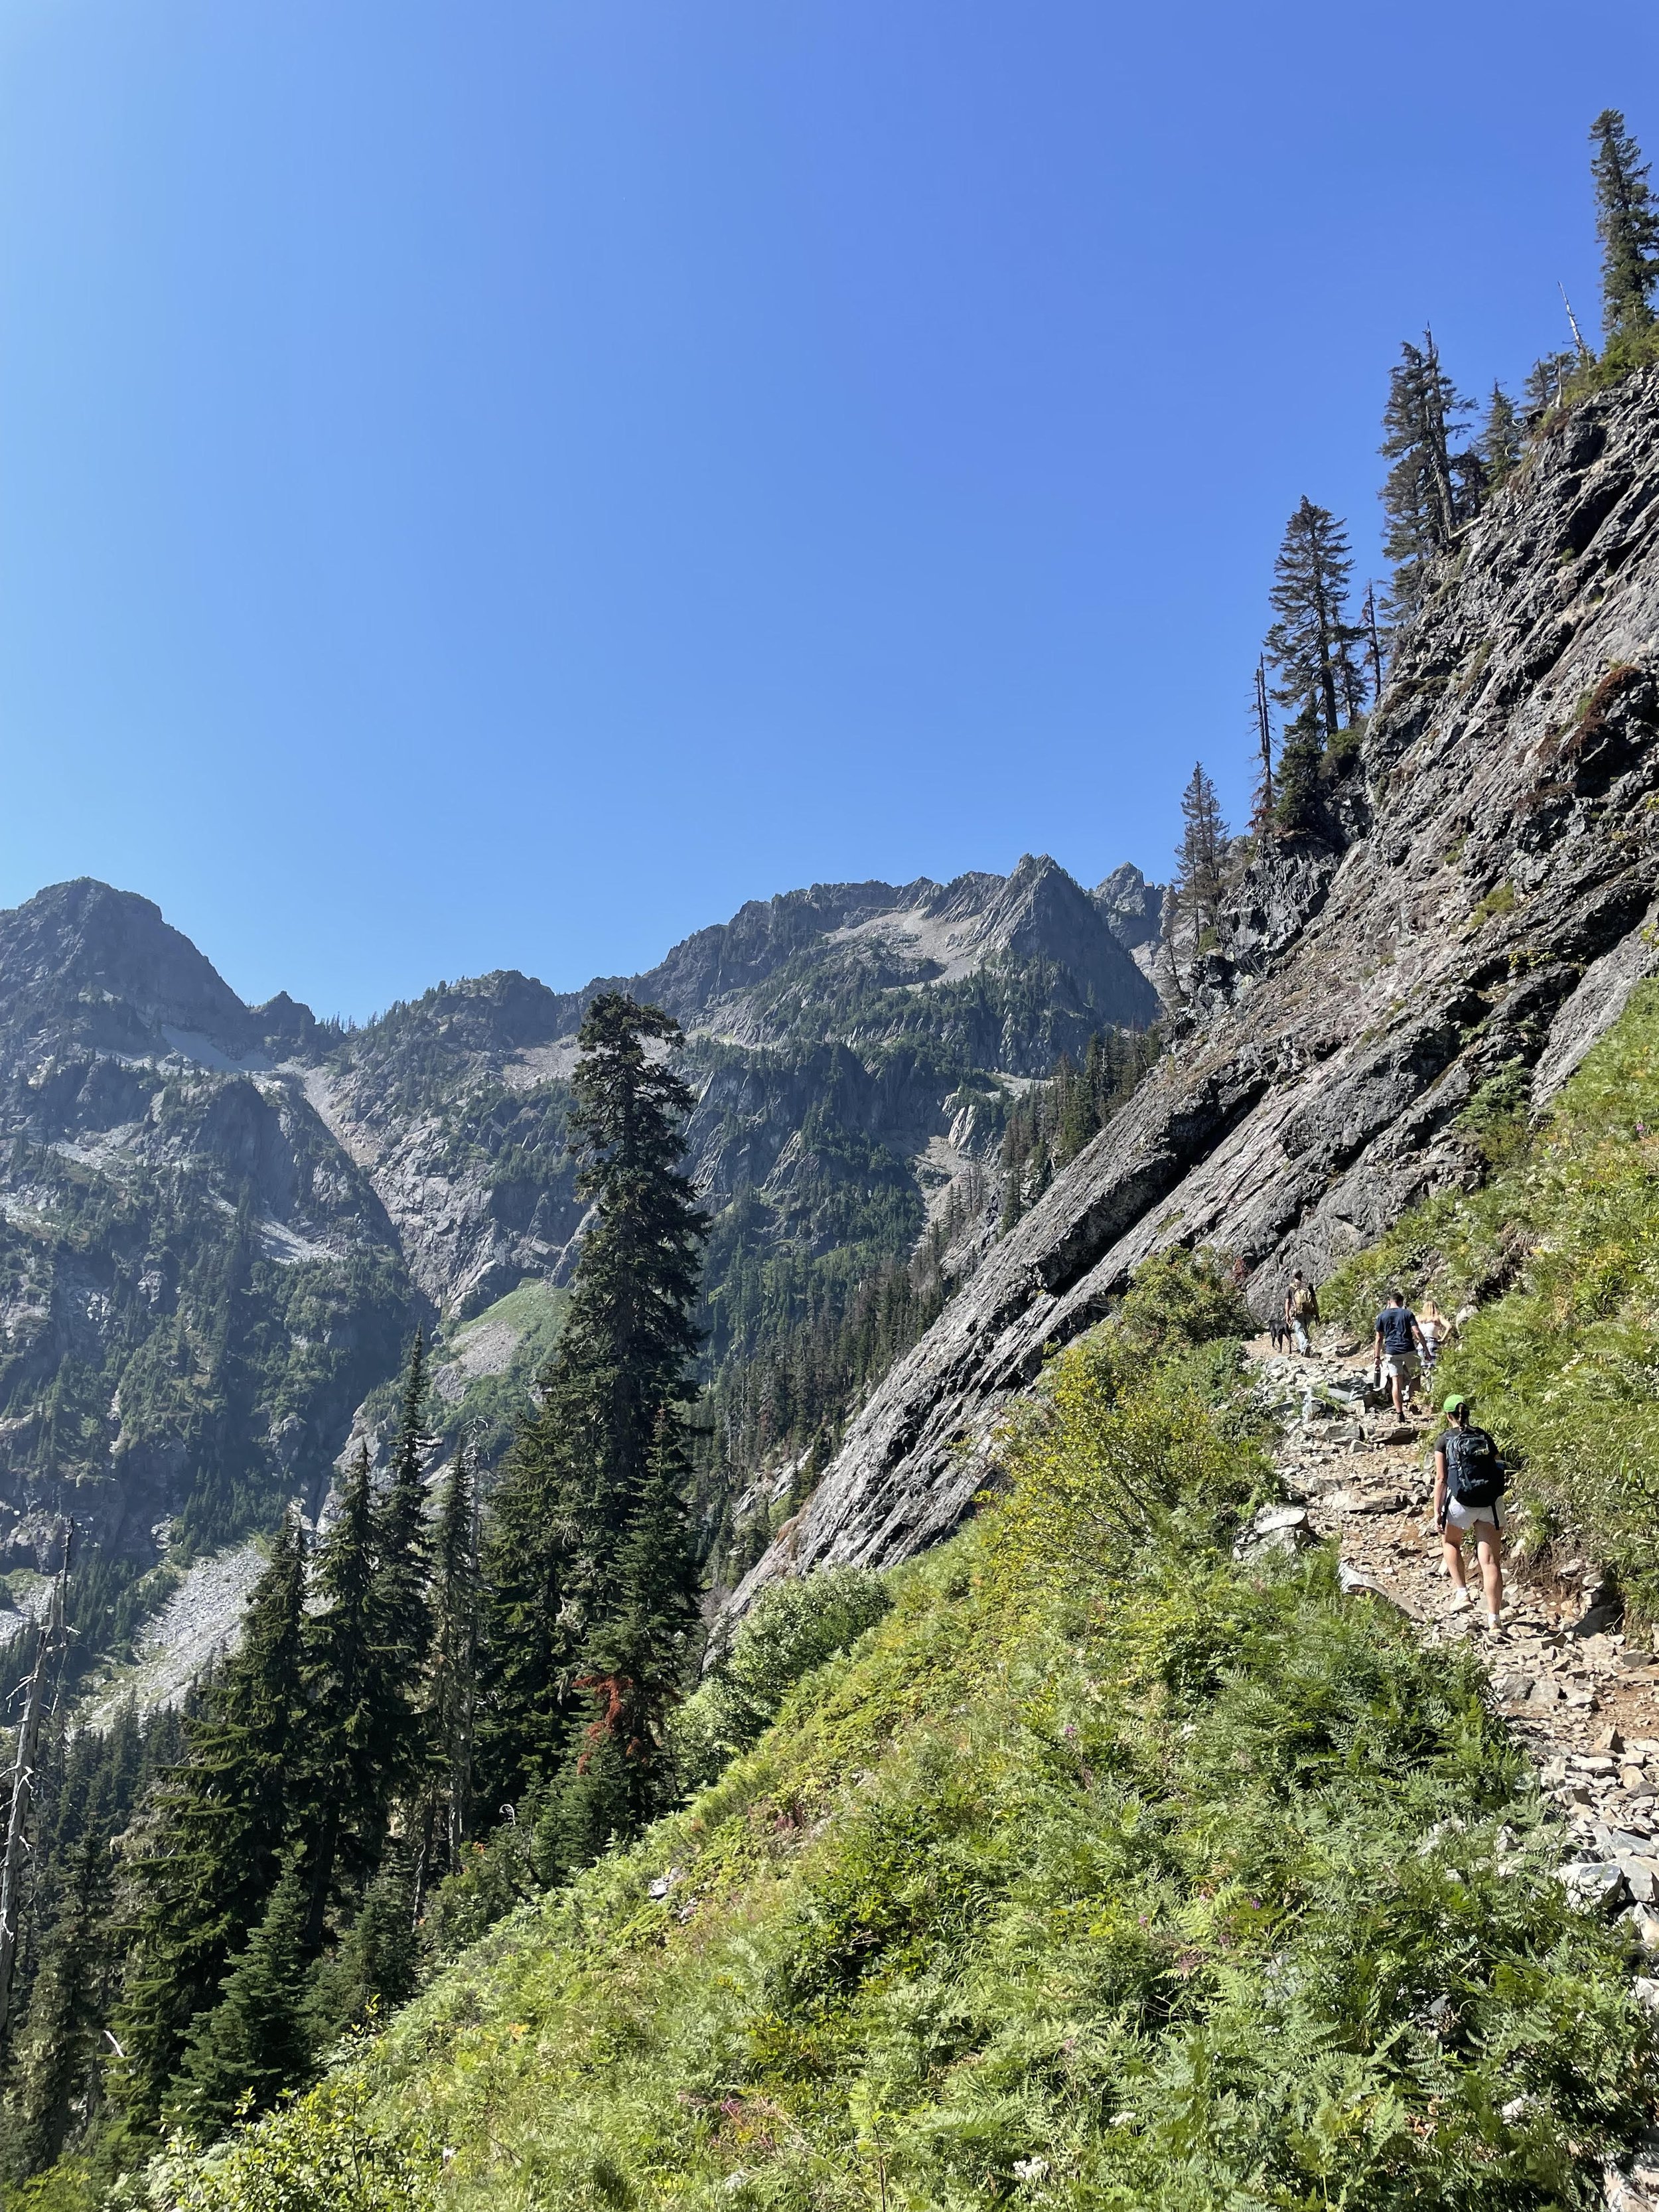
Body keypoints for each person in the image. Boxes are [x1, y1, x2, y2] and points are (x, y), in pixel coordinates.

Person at [1433, 1393, 1507, 1628]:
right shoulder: (1483, 1436)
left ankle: (1462, 1593)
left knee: (1451, 1543)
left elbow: (1441, 1478)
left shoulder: (1444, 1440)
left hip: (1461, 1503)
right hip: (1490, 1504)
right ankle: (1494, 1619)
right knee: (1491, 1562)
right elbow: (1499, 1464)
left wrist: (1437, 1511)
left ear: (1448, 1415)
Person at [1372, 1288, 1426, 1417]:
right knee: (1416, 1377)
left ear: (1388, 1302)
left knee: (1396, 1381)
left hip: (1391, 1351)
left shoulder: (1382, 1316)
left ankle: (1399, 1413)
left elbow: (1379, 1338)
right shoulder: (1407, 1313)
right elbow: (1417, 1332)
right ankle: (1413, 1405)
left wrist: (1377, 1357)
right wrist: (1426, 1349)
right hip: (1408, 1349)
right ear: (1401, 1302)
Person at [1286, 1270, 1319, 1355]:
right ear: (1302, 1276)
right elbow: (1314, 1300)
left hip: (1297, 1313)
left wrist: (1287, 1315)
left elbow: (1288, 1303)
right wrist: (1317, 1312)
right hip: (1309, 1311)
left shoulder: (1291, 1288)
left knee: (1299, 1330)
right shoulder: (1308, 1286)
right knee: (1305, 1330)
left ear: (1294, 1276)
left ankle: (1305, 1346)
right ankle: (1305, 1348)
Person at [1417, 1295, 1454, 1370]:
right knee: (1434, 1368)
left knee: (1422, 1369)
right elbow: (1449, 1326)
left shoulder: (1419, 1318)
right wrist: (1443, 1339)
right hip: (1432, 1342)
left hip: (1421, 1344)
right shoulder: (1437, 1317)